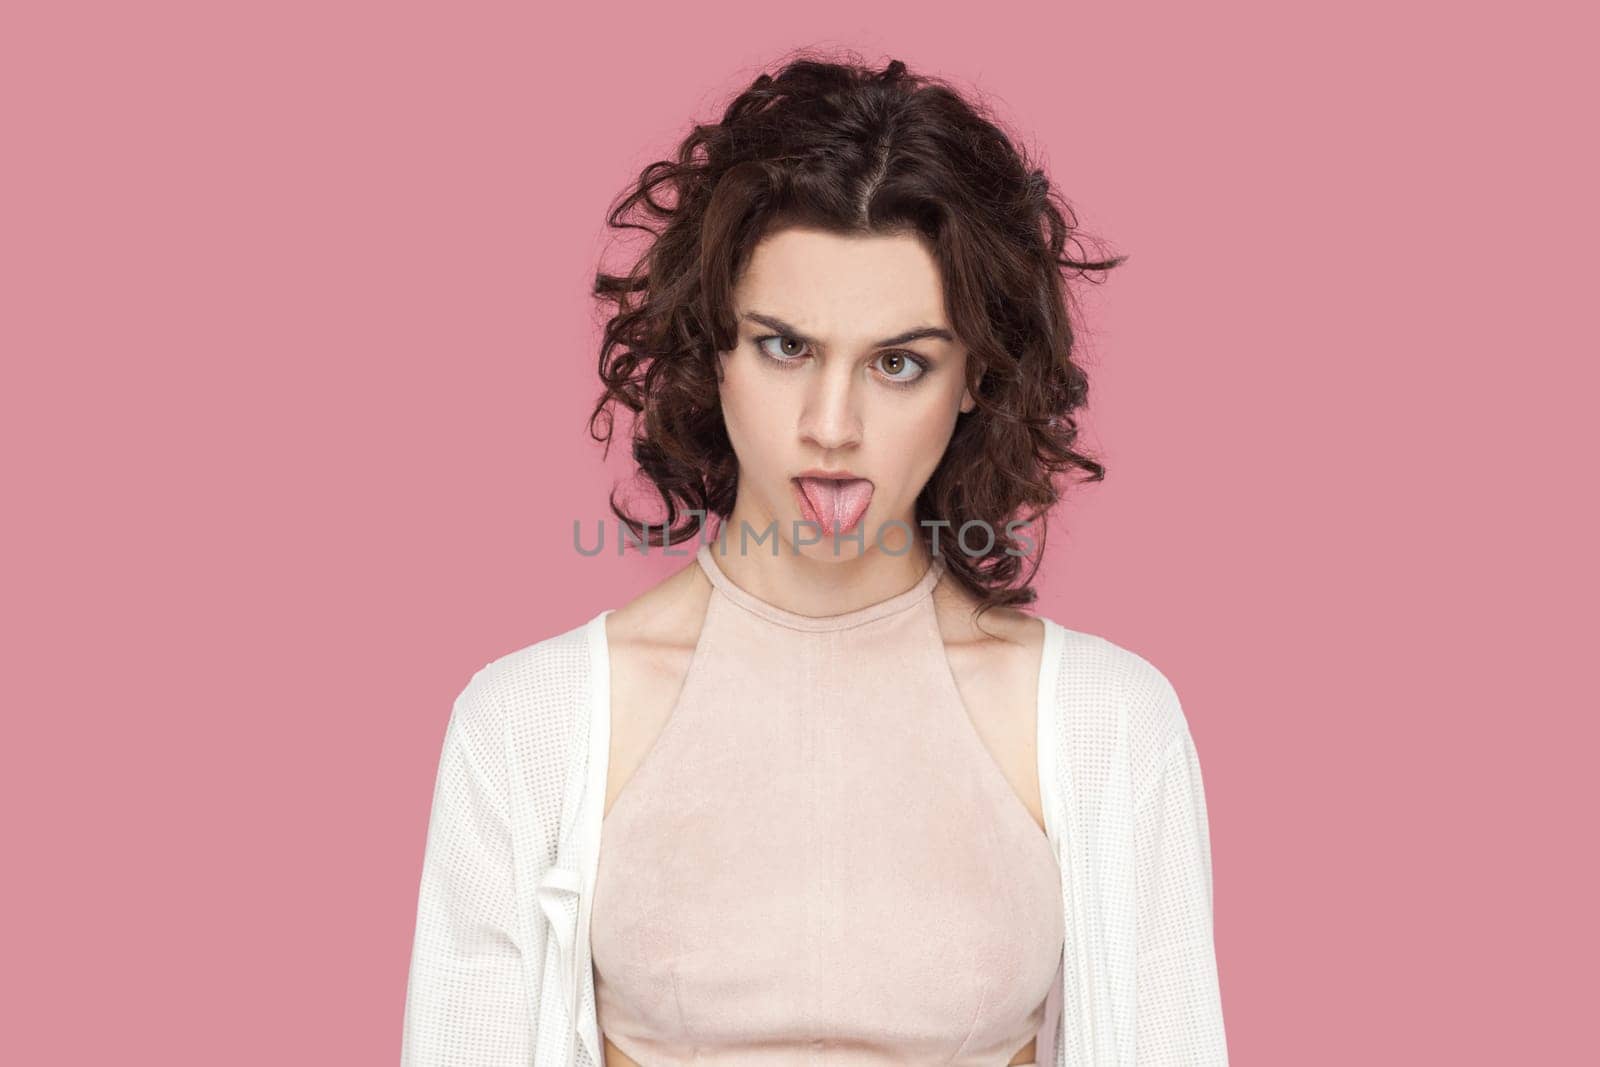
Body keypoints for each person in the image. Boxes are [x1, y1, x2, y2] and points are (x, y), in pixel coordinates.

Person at [402, 51, 1227, 1067]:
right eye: (786, 347)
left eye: (897, 363)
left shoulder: (1108, 723)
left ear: (974, 376)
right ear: (714, 347)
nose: (831, 425)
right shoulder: (526, 725)